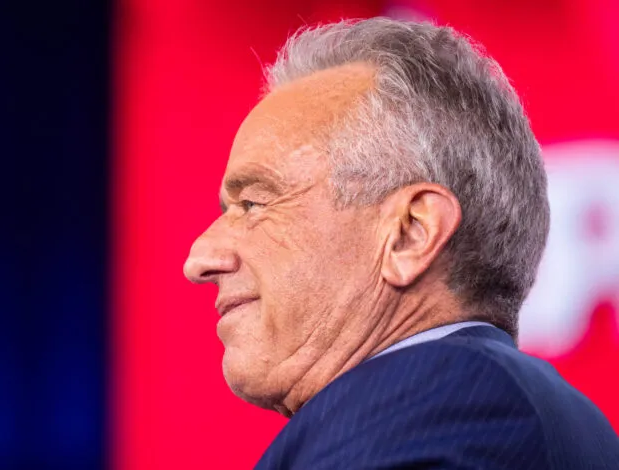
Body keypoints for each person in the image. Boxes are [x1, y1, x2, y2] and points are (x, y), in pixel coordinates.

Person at [182, 17, 619, 469]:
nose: (200, 260)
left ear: (410, 233)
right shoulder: (491, 406)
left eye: (253, 204)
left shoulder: (451, 401)